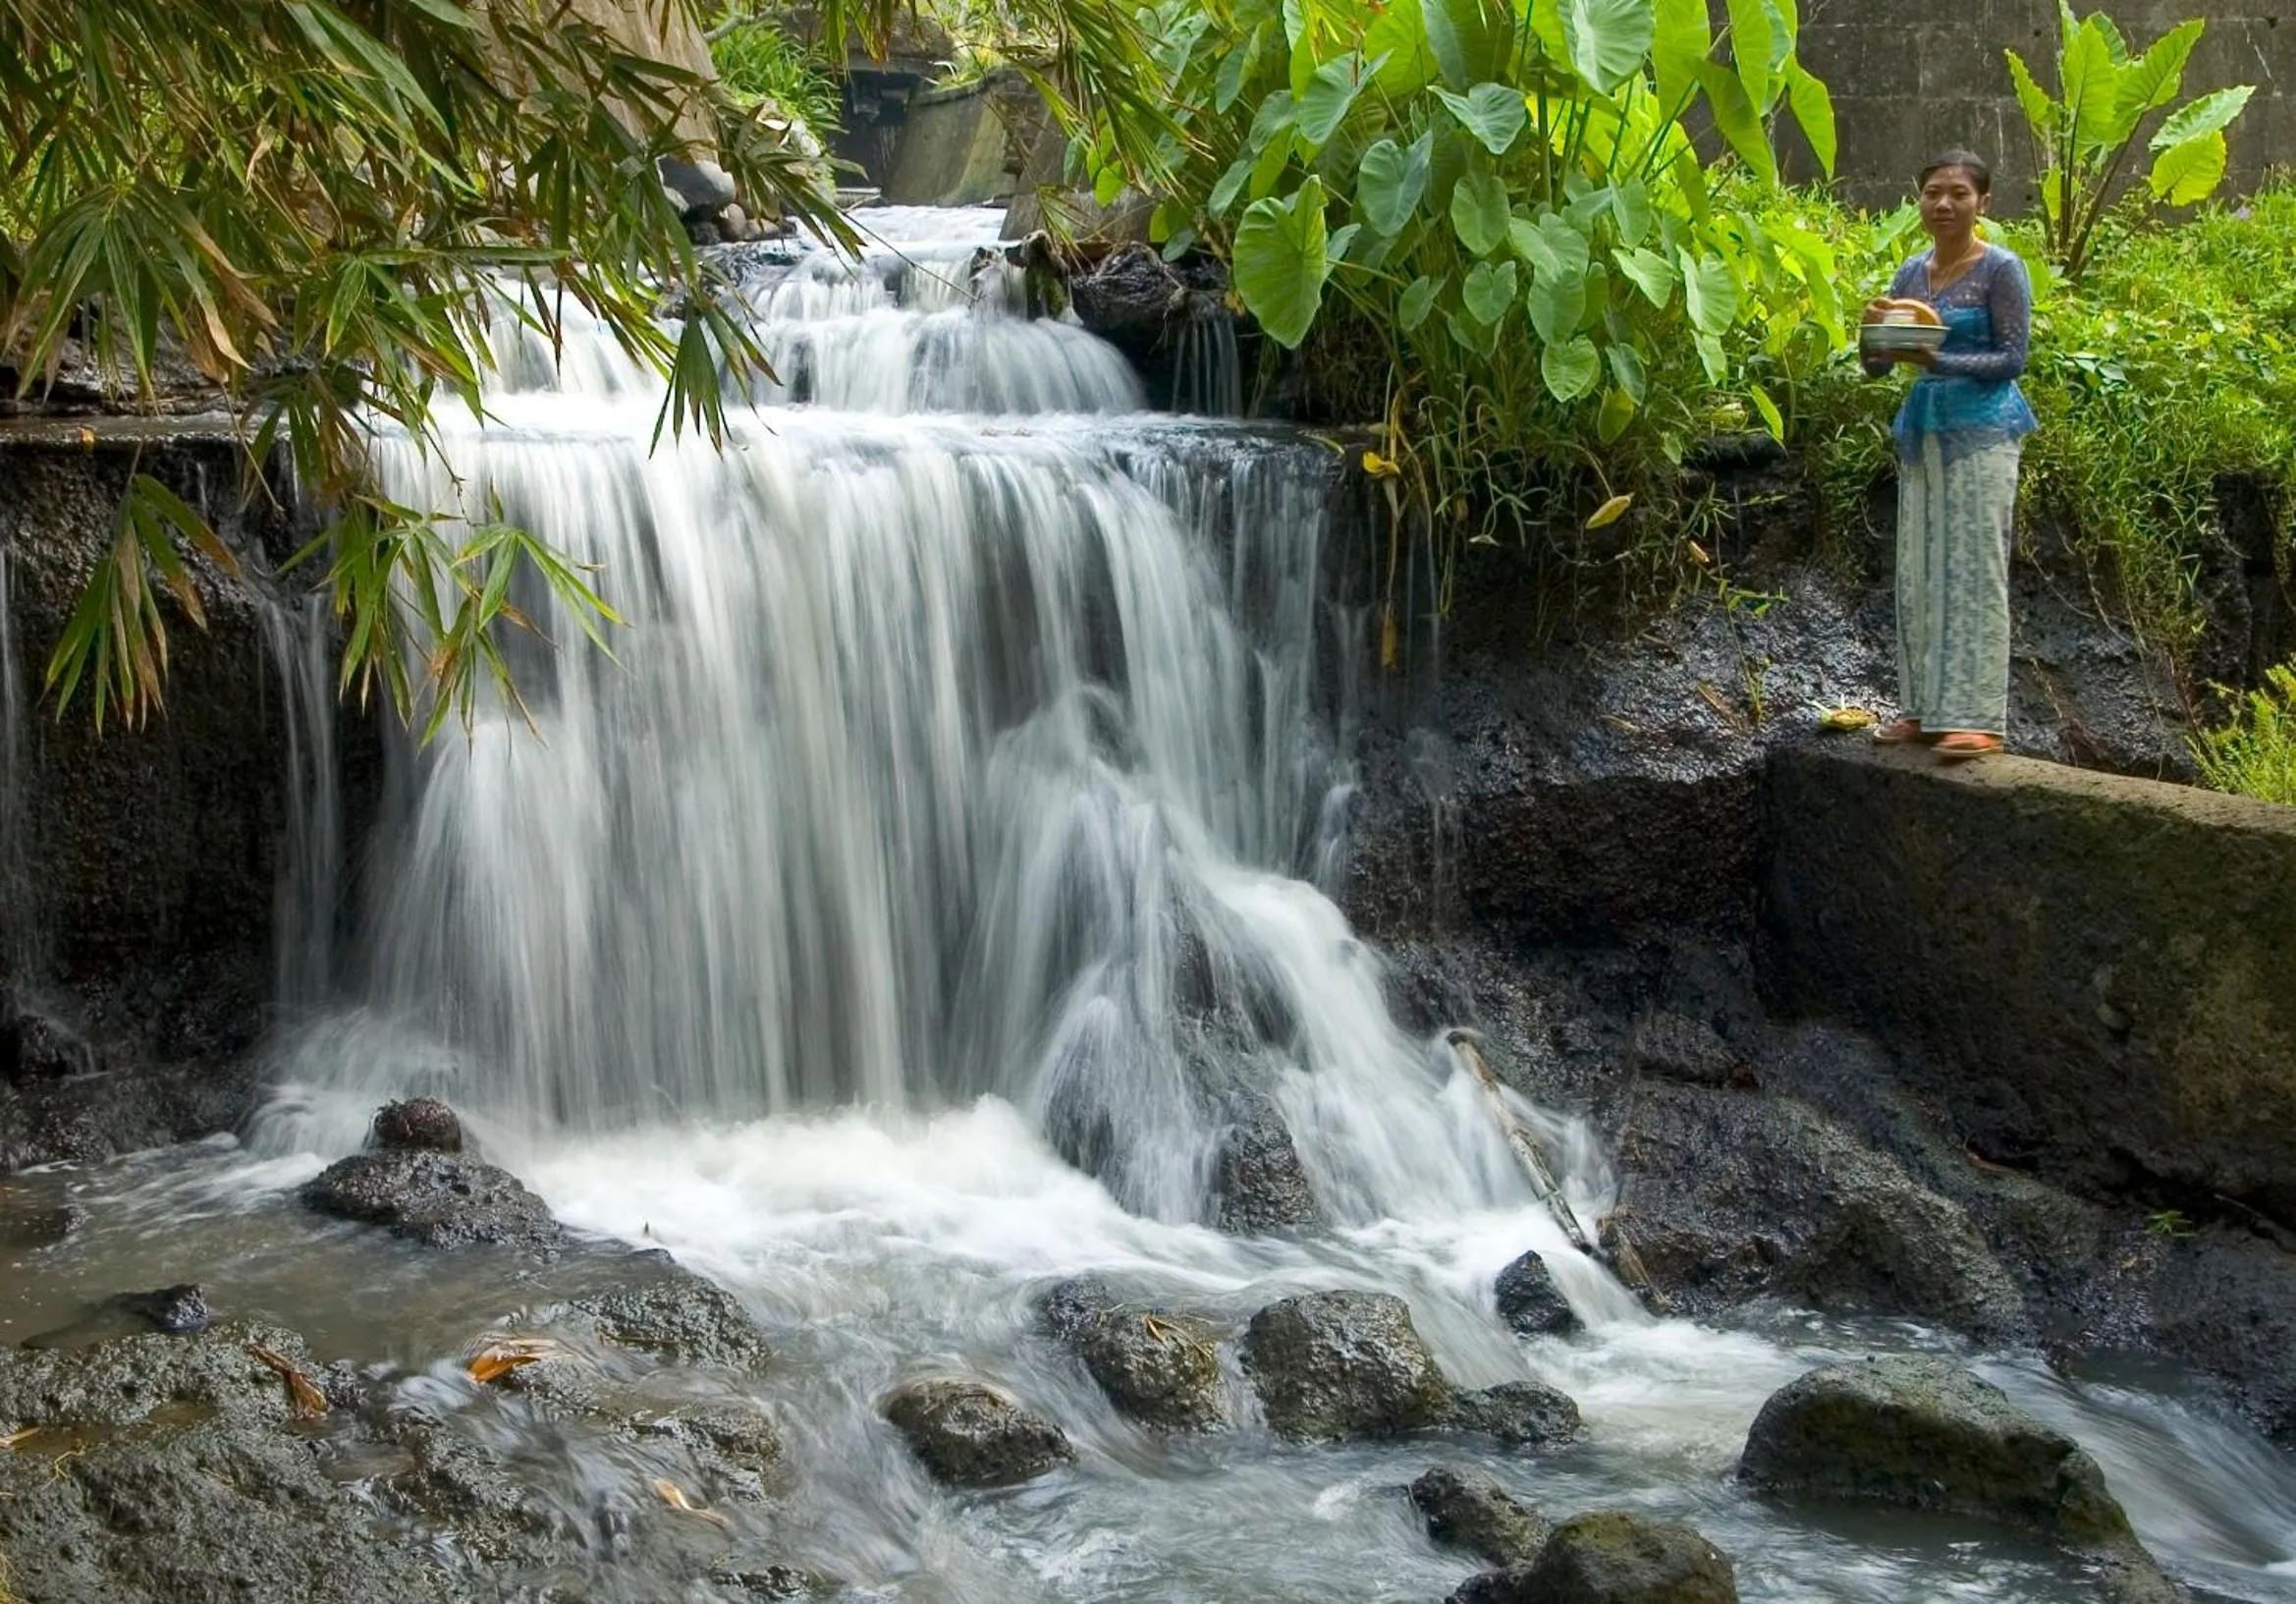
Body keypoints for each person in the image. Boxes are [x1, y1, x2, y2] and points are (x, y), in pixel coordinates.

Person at [1862, 149, 2039, 760]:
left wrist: (1940, 362)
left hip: (1984, 432)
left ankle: (1977, 719)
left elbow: (2011, 361)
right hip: (1925, 433)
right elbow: (1879, 363)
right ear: (1919, 200)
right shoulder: (1911, 273)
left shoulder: (2002, 270)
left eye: (1958, 194)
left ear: (1982, 203)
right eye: (1933, 192)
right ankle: (1922, 711)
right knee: (1919, 570)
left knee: (1974, 571)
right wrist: (1871, 332)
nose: (1943, 203)